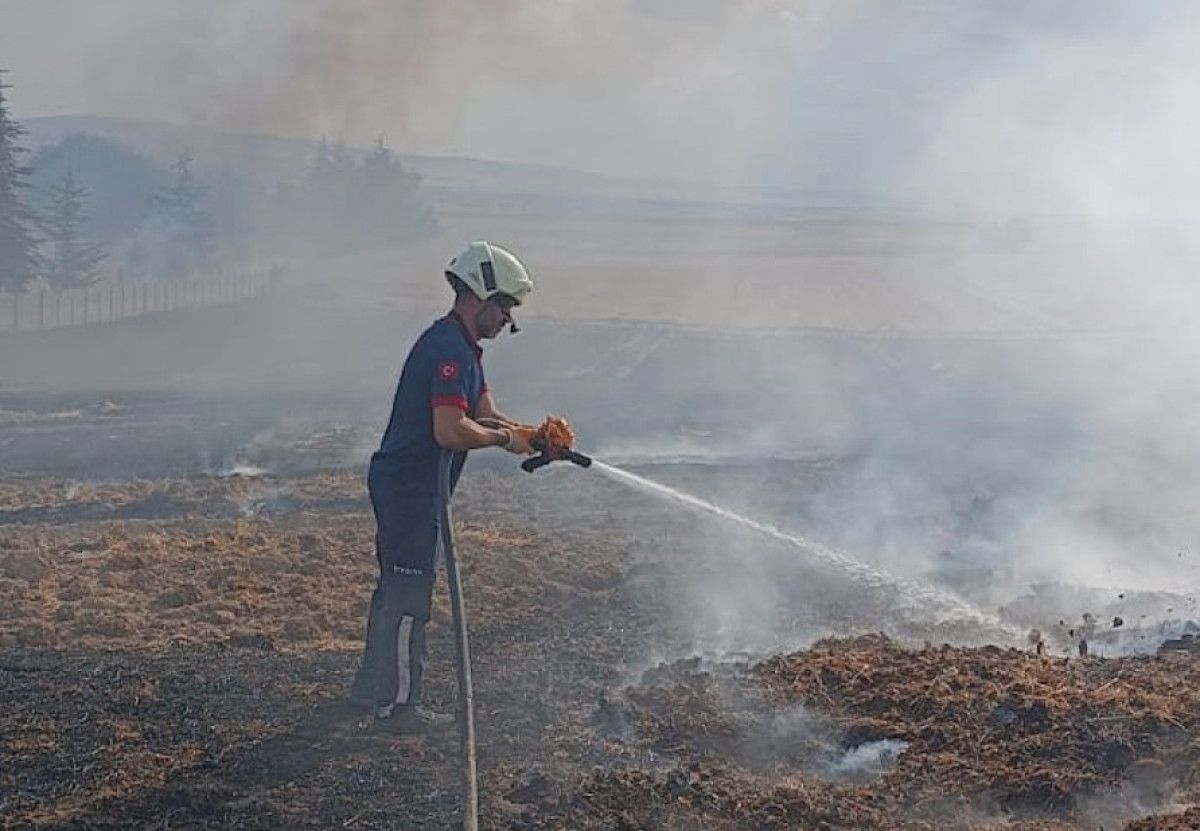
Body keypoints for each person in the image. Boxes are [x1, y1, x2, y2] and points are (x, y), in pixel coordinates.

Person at [349, 241, 539, 732]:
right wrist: (502, 439)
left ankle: (370, 690)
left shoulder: (463, 349)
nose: (508, 321)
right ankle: (398, 707)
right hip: (410, 491)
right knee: (410, 595)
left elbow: (486, 416)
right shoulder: (447, 351)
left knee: (395, 587)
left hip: (411, 488)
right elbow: (451, 430)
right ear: (478, 295)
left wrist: (534, 438)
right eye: (504, 307)